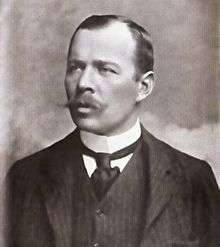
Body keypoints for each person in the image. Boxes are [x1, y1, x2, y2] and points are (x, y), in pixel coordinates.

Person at [6, 15, 220, 247]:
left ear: (143, 87)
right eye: (75, 67)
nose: (83, 83)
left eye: (105, 69)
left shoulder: (193, 180)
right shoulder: (24, 179)